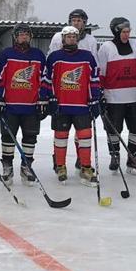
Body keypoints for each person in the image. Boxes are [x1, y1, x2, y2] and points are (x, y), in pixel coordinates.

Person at [42, 25, 100, 186]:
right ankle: (60, 167)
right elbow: (47, 80)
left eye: (74, 37)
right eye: (68, 37)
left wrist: (95, 98)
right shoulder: (54, 57)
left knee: (85, 137)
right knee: (60, 138)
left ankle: (86, 167)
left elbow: (94, 79)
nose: (72, 39)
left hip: (81, 105)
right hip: (61, 106)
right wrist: (50, 98)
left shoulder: (87, 56)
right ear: (63, 39)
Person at [0, 23, 46, 185]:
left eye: (26, 34)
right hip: (10, 105)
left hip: (31, 106)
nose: (24, 37)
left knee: (30, 137)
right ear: (15, 37)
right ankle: (7, 166)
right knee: (7, 137)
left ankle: (26, 166)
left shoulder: (38, 55)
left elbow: (44, 79)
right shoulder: (6, 54)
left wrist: (43, 99)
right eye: (21, 34)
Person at [97, 17, 136, 174]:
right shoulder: (106, 48)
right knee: (113, 129)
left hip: (134, 97)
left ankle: (133, 158)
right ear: (116, 32)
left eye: (128, 31)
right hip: (113, 98)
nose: (127, 34)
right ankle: (115, 155)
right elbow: (101, 74)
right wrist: (100, 93)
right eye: (124, 32)